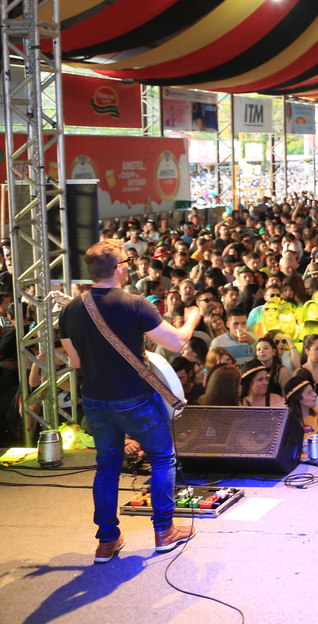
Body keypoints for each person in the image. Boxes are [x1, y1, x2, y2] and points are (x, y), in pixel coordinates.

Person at [58, 239, 202, 562]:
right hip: (134, 399)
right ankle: (164, 530)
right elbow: (177, 342)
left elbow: (77, 361)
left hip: (95, 400)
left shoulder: (70, 310)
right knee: (163, 458)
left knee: (107, 468)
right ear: (120, 268)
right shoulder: (135, 304)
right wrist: (193, 317)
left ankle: (107, 540)